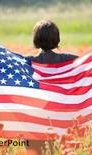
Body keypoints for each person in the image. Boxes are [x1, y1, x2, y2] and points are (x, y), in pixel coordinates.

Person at [25, 20, 78, 155]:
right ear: (56, 39)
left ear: (35, 40)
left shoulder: (26, 62)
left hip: (34, 121)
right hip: (60, 120)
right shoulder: (70, 59)